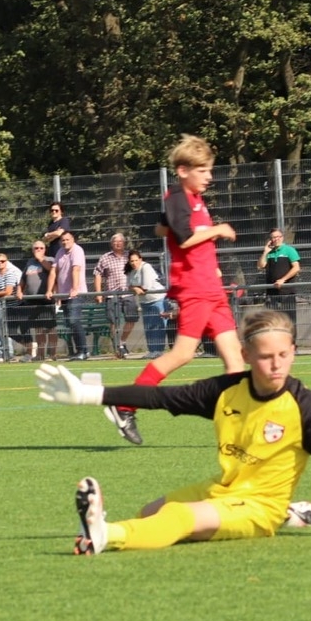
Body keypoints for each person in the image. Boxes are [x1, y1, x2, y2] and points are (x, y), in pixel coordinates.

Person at [34, 309, 311, 554]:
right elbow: (161, 397)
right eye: (265, 356)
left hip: (259, 507)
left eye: (283, 355)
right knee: (150, 513)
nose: (276, 365)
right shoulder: (226, 391)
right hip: (225, 488)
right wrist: (89, 394)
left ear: (293, 351)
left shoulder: (303, 406)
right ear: (245, 356)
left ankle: (104, 535)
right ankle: (294, 514)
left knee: (178, 518)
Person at [104, 135, 244, 447]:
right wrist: (217, 230)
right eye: (203, 170)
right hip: (195, 289)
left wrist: (209, 261)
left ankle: (236, 430)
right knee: (182, 354)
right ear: (183, 171)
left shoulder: (191, 199)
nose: (209, 176)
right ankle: (124, 405)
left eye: (209, 170)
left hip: (211, 288)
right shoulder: (179, 197)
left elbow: (162, 228)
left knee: (235, 359)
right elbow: (184, 238)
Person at [93, 233, 137, 358]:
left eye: (120, 241)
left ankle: (122, 343)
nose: (118, 244)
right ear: (111, 244)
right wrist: (98, 293)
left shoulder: (130, 256)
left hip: (128, 293)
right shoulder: (105, 257)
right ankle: (118, 347)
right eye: (115, 242)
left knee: (131, 319)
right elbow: (97, 274)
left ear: (124, 243)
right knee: (114, 323)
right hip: (112, 295)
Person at [46, 231, 89, 360]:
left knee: (73, 320)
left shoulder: (77, 250)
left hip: (76, 294)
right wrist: (49, 290)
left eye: (67, 239)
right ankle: (80, 351)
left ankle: (83, 351)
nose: (65, 242)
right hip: (64, 294)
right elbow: (53, 271)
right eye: (63, 240)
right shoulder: (60, 252)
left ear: (73, 239)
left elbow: (76, 269)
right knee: (70, 323)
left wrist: (75, 288)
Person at [126, 249, 168, 358]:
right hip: (145, 302)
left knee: (157, 326)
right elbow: (129, 286)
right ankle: (152, 351)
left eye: (136, 260)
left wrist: (135, 288)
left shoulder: (146, 267)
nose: (134, 263)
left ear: (140, 259)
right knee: (148, 327)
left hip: (157, 300)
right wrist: (134, 288)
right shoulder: (131, 271)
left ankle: (158, 351)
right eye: (132, 261)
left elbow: (145, 287)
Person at [20, 240, 57, 361]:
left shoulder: (50, 260)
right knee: (38, 329)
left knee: (50, 328)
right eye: (36, 248)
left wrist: (41, 259)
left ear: (45, 249)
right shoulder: (30, 262)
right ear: (32, 250)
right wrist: (20, 291)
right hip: (33, 301)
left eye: (41, 248)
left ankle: (52, 354)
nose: (38, 250)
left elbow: (52, 271)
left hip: (46, 299)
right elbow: (23, 279)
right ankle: (40, 355)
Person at [258, 228, 300, 325]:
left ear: (282, 237)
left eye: (278, 237)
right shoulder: (269, 252)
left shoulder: (290, 250)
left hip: (287, 292)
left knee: (289, 321)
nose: (276, 239)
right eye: (273, 237)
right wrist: (265, 252)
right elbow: (261, 265)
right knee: (272, 322)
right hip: (272, 293)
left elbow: (296, 268)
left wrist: (282, 280)